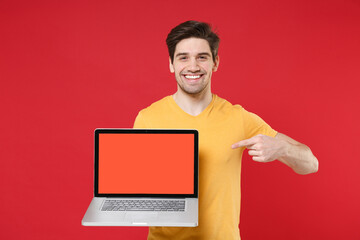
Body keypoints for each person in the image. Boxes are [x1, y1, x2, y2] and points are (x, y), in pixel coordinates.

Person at [133, 20, 318, 240]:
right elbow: (136, 190)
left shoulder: (238, 117)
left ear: (215, 62)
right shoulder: (148, 118)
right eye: (183, 57)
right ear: (172, 64)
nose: (193, 66)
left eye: (202, 57)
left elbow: (311, 165)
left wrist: (283, 148)